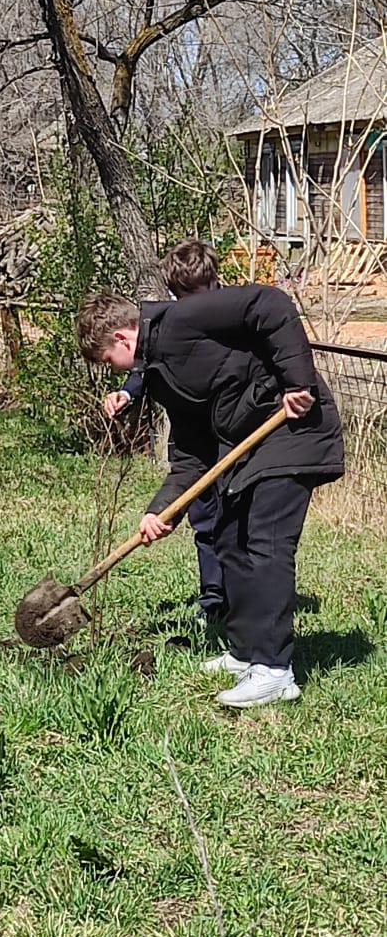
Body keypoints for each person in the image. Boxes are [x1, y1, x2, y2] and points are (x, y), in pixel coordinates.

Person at [78, 283, 344, 708]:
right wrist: (160, 510)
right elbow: (190, 452)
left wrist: (298, 381)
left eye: (109, 360)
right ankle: (245, 652)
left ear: (123, 338)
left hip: (292, 425)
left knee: (266, 541)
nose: (114, 371)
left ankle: (275, 671)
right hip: (250, 447)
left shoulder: (184, 319)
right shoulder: (161, 375)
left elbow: (269, 304)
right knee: (227, 537)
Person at [102, 239, 223, 621]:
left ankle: (244, 604)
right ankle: (215, 601)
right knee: (204, 521)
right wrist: (127, 392)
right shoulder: (171, 321)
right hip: (196, 441)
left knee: (234, 527)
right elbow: (146, 364)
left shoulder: (229, 318)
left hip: (233, 434)